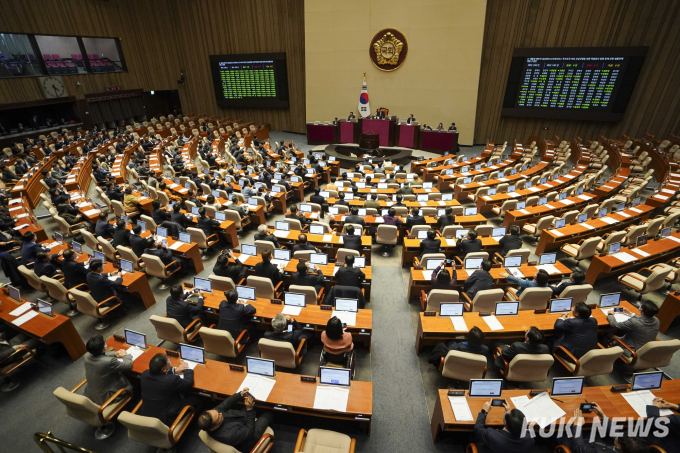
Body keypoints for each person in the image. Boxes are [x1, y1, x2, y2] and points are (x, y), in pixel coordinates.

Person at [196, 389, 273, 453]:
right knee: (269, 413)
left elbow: (225, 404)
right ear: (213, 428)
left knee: (254, 404)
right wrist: (249, 410)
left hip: (240, 421)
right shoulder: (229, 436)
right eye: (219, 416)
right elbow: (249, 430)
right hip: (250, 436)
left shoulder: (213, 416)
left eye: (217, 412)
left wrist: (240, 394)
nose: (220, 413)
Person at [138, 353, 199, 425]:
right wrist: (187, 369)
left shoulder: (145, 374)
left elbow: (160, 374)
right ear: (163, 369)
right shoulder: (171, 380)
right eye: (168, 362)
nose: (170, 362)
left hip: (146, 413)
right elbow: (188, 383)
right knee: (198, 399)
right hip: (165, 419)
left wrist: (174, 370)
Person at [83, 335, 133, 405]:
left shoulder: (86, 356)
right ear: (103, 348)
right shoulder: (109, 362)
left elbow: (99, 355)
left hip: (91, 395)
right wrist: (125, 355)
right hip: (106, 398)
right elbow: (128, 365)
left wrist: (114, 353)